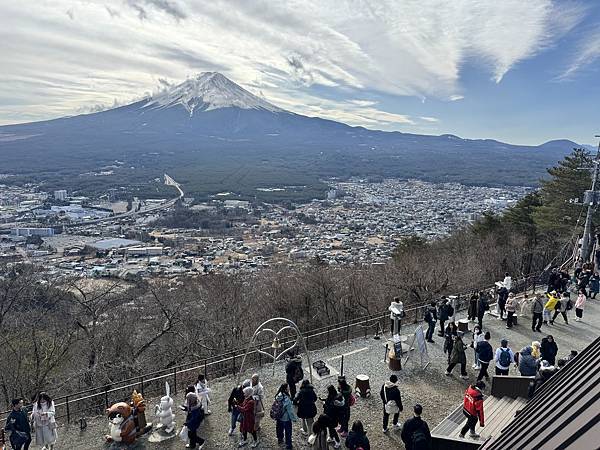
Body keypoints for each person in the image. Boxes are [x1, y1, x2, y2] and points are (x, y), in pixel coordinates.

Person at [274, 384, 297, 450]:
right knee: (288, 432)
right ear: (286, 389)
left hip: (279, 416)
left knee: (279, 428)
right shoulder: (287, 399)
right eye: (288, 387)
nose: (289, 388)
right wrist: (293, 419)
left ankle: (280, 439)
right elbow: (290, 411)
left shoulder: (278, 395)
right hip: (286, 418)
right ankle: (288, 445)